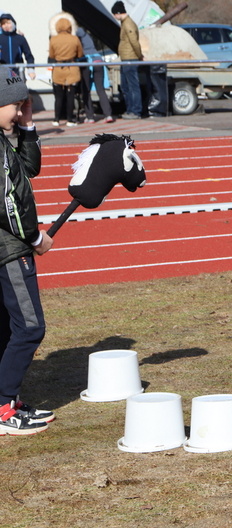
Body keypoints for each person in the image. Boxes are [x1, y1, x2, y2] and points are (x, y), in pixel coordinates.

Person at [0, 66, 55, 435]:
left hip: (6, 247)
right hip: (9, 249)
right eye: (16, 106)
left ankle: (8, 402)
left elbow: (30, 168)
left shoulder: (6, 136)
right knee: (30, 328)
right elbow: (9, 202)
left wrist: (27, 126)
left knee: (8, 328)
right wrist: (35, 239)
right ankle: (4, 410)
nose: (21, 112)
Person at [48, 13, 83, 128]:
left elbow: (52, 55)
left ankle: (56, 119)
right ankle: (70, 119)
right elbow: (80, 53)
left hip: (58, 68)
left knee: (58, 96)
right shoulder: (75, 39)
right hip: (72, 67)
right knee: (70, 95)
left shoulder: (53, 39)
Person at [111, 1, 143, 120]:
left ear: (119, 13)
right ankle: (130, 110)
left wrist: (139, 55)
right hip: (125, 59)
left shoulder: (128, 24)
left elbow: (134, 41)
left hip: (130, 59)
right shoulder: (124, 23)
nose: (114, 17)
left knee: (132, 86)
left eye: (114, 14)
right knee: (125, 86)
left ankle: (136, 111)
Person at [76, 26, 114, 123]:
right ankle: (108, 115)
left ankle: (90, 116)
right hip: (97, 59)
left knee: (85, 90)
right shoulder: (87, 34)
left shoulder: (75, 36)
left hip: (85, 61)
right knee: (100, 89)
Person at [0, 13, 36, 80]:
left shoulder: (20, 38)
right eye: (3, 24)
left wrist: (31, 70)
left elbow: (29, 55)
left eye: (8, 23)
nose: (6, 26)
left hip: (18, 72)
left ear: (13, 23)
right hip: (2, 73)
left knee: (18, 90)